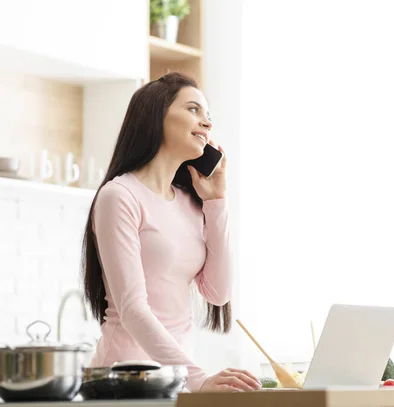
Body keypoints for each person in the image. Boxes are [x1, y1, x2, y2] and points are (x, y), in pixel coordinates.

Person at [81, 72, 261, 392]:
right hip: (123, 381)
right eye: (193, 109)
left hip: (172, 382)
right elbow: (133, 309)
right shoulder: (120, 196)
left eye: (208, 115)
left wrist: (216, 202)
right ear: (156, 116)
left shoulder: (190, 203)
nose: (206, 123)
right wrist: (198, 378)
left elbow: (218, 292)